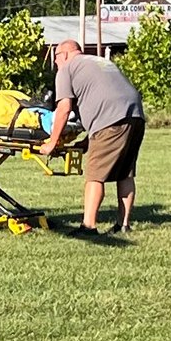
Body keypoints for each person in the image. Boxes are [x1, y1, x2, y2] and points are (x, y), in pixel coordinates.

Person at [38, 39, 145, 234]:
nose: (55, 64)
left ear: (65, 55)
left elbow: (63, 108)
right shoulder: (100, 62)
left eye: (56, 59)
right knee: (125, 173)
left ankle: (88, 226)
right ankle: (124, 224)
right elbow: (103, 98)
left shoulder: (67, 69)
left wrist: (51, 143)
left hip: (111, 119)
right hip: (136, 115)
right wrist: (87, 142)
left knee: (95, 175)